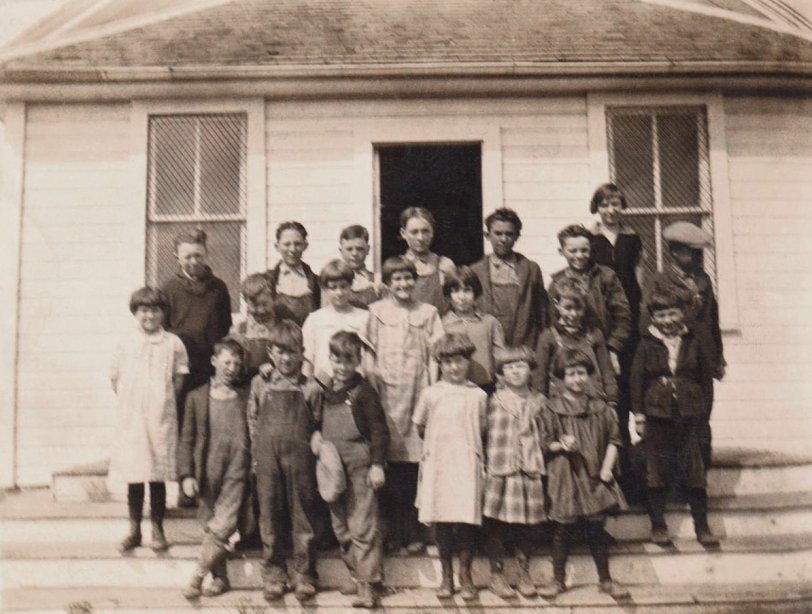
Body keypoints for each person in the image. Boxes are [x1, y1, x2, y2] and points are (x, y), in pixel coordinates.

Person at [366, 256, 444, 554]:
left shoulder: (428, 312)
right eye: (396, 279)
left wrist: (432, 392)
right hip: (386, 397)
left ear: (416, 280)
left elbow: (436, 354)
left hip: (417, 394)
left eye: (408, 278)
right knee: (388, 464)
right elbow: (368, 353)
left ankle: (414, 532)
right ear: (387, 283)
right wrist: (373, 391)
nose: (403, 284)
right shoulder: (376, 311)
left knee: (414, 466)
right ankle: (390, 534)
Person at [539, 348, 629, 599]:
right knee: (562, 530)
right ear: (560, 378)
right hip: (564, 474)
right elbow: (544, 443)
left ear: (590, 376)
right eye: (570, 374)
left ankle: (606, 579)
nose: (577, 379)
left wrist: (607, 468)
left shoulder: (601, 408)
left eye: (581, 373)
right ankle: (558, 580)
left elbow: (614, 440)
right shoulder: (551, 408)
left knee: (596, 527)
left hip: (593, 475)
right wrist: (560, 444)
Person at [631, 289, 719, 547]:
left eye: (672, 313)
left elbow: (706, 381)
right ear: (653, 318)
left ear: (683, 313)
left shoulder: (694, 341)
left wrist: (704, 416)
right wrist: (639, 416)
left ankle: (702, 526)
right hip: (657, 414)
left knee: (695, 471)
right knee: (655, 470)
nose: (667, 320)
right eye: (661, 315)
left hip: (690, 415)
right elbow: (636, 381)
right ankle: (658, 525)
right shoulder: (646, 343)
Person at [310, 331, 389, 609]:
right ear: (329, 359)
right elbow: (316, 422)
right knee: (340, 526)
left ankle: (369, 585)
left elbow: (379, 431)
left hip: (359, 464)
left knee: (361, 524)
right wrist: (316, 436)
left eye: (348, 360)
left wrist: (377, 465)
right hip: (332, 464)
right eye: (336, 359)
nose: (342, 366)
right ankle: (356, 574)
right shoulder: (326, 390)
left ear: (357, 361)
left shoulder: (364, 393)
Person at [247, 320, 324, 602]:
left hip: (300, 459)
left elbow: (317, 423)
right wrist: (257, 454)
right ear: (270, 352)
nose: (286, 358)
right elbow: (253, 419)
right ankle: (274, 574)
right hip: (267, 457)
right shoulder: (260, 383)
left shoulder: (311, 388)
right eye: (280, 352)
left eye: (292, 352)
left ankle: (305, 574)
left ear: (302, 353)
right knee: (269, 513)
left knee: (302, 514)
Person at [110, 287, 189, 554]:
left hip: (160, 416)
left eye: (155, 310)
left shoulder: (172, 343)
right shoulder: (125, 342)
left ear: (163, 313)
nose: (150, 315)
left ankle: (157, 527)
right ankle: (134, 529)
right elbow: (115, 378)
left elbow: (179, 378)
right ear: (136, 312)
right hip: (133, 417)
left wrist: (162, 401)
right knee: (135, 473)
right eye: (144, 310)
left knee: (157, 475)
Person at [642, 221, 725, 468]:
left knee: (702, 412)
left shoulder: (703, 280)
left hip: (701, 356)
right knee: (673, 417)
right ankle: (673, 481)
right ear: (675, 252)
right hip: (674, 356)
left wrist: (717, 358)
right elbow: (648, 321)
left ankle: (699, 480)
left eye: (698, 252)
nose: (697, 256)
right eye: (691, 251)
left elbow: (712, 320)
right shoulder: (659, 281)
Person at [412, 333, 487, 600]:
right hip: (440, 464)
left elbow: (482, 428)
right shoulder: (431, 394)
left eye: (459, 361)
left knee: (466, 521)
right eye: (448, 362)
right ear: (440, 364)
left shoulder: (477, 395)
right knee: (442, 521)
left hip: (466, 462)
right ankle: (446, 577)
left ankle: (465, 576)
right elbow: (420, 425)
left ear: (468, 361)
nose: (454, 367)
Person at [162, 229, 232, 506]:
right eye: (187, 256)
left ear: (206, 255)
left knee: (209, 426)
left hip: (209, 369)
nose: (193, 261)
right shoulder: (169, 289)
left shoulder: (219, 288)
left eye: (198, 255)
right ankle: (184, 485)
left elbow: (224, 327)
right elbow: (164, 331)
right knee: (184, 427)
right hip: (181, 371)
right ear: (177, 257)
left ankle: (208, 486)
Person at [178, 339, 249, 599]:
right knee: (211, 523)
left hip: (237, 467)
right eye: (227, 362)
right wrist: (186, 474)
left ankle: (197, 576)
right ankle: (220, 578)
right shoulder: (197, 397)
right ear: (214, 361)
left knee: (225, 522)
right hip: (207, 469)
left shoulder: (246, 396)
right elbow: (186, 439)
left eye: (237, 364)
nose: (232, 368)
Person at [588, 183, 644, 479]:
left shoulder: (632, 238)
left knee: (627, 389)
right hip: (602, 317)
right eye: (605, 205)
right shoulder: (590, 238)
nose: (611, 210)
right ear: (596, 207)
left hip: (629, 317)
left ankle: (630, 471)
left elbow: (639, 278)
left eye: (616, 204)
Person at [482, 346, 546, 599]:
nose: (516, 371)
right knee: (495, 523)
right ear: (500, 373)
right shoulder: (492, 401)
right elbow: (482, 433)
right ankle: (496, 574)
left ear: (530, 370)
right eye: (509, 367)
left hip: (529, 469)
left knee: (527, 525)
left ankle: (524, 572)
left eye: (521, 366)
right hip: (499, 468)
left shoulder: (540, 402)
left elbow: (546, 434)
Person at [548, 224, 631, 379]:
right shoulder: (556, 282)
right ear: (562, 251)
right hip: (570, 354)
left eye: (584, 250)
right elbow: (552, 320)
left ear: (590, 249)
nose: (579, 255)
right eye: (572, 251)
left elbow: (623, 316)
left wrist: (613, 349)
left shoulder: (606, 277)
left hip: (604, 350)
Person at [471, 207, 548, 349]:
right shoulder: (475, 271)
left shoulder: (531, 269)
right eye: (498, 233)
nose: (503, 239)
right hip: (488, 344)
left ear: (517, 236)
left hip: (524, 345)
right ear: (487, 235)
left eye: (509, 234)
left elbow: (542, 313)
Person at [534, 277, 617, 404]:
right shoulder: (548, 337)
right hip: (559, 404)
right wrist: (540, 401)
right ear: (557, 305)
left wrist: (612, 399)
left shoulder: (594, 335)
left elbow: (606, 371)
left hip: (592, 402)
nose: (573, 314)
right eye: (568, 308)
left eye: (578, 308)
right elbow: (540, 376)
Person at [301, 259, 370, 386]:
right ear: (324, 288)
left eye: (343, 286)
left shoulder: (364, 317)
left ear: (351, 285)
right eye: (333, 287)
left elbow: (370, 360)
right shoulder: (314, 320)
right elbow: (308, 361)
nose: (339, 292)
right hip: (322, 385)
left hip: (355, 386)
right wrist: (308, 388)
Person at [441, 266, 505, 393]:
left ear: (475, 293)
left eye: (467, 290)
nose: (461, 297)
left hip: (486, 386)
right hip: (453, 387)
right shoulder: (442, 324)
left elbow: (500, 356)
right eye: (455, 291)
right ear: (448, 295)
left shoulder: (490, 322)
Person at [399, 207, 456, 313]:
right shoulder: (397, 266)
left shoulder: (445, 265)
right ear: (403, 233)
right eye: (414, 232)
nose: (420, 238)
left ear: (432, 232)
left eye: (425, 231)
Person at [266, 221, 320, 327]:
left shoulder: (317, 282)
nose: (292, 249)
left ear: (305, 245)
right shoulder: (267, 280)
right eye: (287, 244)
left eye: (298, 244)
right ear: (277, 246)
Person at [229, 273, 278, 384]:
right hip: (246, 389)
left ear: (274, 299)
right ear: (246, 301)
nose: (260, 310)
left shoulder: (281, 329)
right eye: (254, 305)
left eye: (265, 304)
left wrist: (275, 368)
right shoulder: (238, 331)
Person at [339, 224, 381, 308]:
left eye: (360, 249)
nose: (354, 254)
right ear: (341, 251)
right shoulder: (332, 278)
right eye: (349, 249)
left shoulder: (377, 279)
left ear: (368, 249)